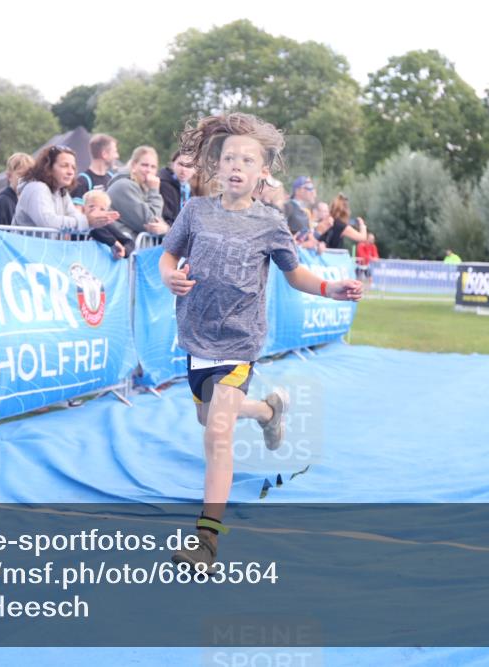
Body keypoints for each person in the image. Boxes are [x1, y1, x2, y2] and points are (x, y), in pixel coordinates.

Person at [160, 112, 363, 570]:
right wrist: (170, 276)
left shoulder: (270, 223)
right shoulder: (195, 211)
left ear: (261, 172)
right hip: (196, 339)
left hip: (238, 341)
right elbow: (169, 254)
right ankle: (269, 410)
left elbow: (296, 276)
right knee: (206, 415)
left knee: (217, 432)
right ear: (216, 165)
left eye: (246, 160)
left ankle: (206, 541)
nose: (235, 165)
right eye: (229, 156)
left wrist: (331, 288)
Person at [12, 145, 114, 233]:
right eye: (64, 166)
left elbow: (75, 216)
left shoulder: (61, 192)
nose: (70, 172)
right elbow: (48, 222)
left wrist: (97, 222)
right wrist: (87, 221)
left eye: (73, 167)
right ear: (48, 167)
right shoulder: (36, 188)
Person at [107, 145, 168, 238]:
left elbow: (159, 222)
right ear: (134, 165)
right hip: (122, 249)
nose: (148, 170)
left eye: (153, 167)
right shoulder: (124, 186)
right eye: (144, 165)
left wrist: (166, 229)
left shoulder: (143, 187)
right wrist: (154, 191)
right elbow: (151, 222)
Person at [70, 133, 120, 207]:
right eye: (115, 152)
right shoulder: (83, 181)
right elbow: (78, 212)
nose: (117, 156)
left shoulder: (112, 178)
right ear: (104, 154)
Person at [0, 153, 34, 226]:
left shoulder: (30, 201)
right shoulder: (3, 202)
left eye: (28, 175)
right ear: (9, 176)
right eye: (21, 174)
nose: (25, 178)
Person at [84, 190, 128, 260]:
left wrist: (123, 252)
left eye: (102, 209)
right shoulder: (80, 223)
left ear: (107, 212)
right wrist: (114, 242)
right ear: (84, 207)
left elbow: (128, 242)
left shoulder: (107, 225)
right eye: (91, 206)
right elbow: (94, 230)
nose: (96, 211)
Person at [159, 150, 196, 225]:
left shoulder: (190, 189)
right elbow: (166, 217)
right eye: (180, 164)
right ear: (172, 165)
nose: (183, 170)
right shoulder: (164, 185)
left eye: (188, 166)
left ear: (195, 170)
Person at [284, 175, 316, 240]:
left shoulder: (305, 211)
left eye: (313, 187)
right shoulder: (288, 207)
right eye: (309, 187)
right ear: (297, 191)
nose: (313, 191)